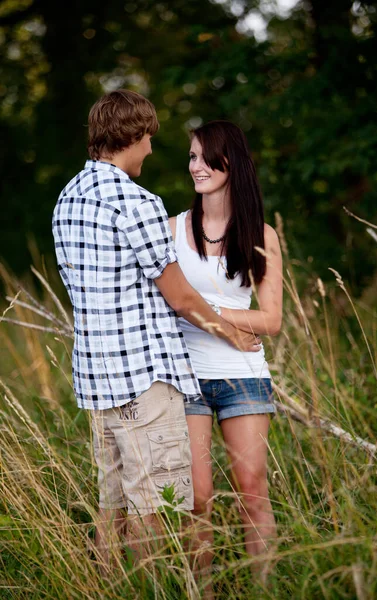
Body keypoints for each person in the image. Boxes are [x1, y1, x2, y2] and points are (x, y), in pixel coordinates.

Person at [52, 92, 260, 570]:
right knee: (157, 510)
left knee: (113, 507)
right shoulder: (135, 200)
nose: (150, 149)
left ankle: (107, 586)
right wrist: (233, 333)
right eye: (148, 138)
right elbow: (180, 296)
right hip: (144, 382)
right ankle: (151, 588)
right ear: (132, 135)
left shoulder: (68, 197)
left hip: (97, 382)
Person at [169, 120, 283, 591]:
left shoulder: (262, 234)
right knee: (198, 499)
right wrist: (232, 314)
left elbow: (271, 320)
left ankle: (265, 589)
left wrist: (201, 308)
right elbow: (166, 302)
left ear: (230, 163)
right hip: (184, 375)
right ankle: (205, 590)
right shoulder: (172, 228)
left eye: (204, 157)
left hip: (244, 375)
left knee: (252, 491)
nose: (195, 166)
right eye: (191, 157)